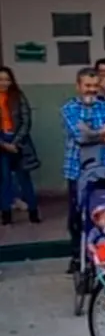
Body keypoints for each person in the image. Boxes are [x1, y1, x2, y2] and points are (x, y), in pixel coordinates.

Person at [61, 67, 105, 272]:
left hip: (104, 169)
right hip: (76, 170)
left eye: (95, 86)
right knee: (76, 215)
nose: (91, 90)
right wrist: (102, 132)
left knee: (103, 211)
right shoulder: (68, 108)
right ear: (78, 86)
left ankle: (103, 253)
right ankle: (77, 257)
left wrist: (92, 133)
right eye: (87, 86)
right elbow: (80, 136)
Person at [0, 66, 41, 225]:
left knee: (24, 178)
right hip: (2, 143)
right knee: (4, 180)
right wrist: (4, 144)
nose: (4, 82)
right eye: (1, 79)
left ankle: (33, 212)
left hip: (19, 142)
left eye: (7, 79)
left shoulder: (18, 96)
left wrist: (15, 142)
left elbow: (26, 120)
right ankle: (6, 214)